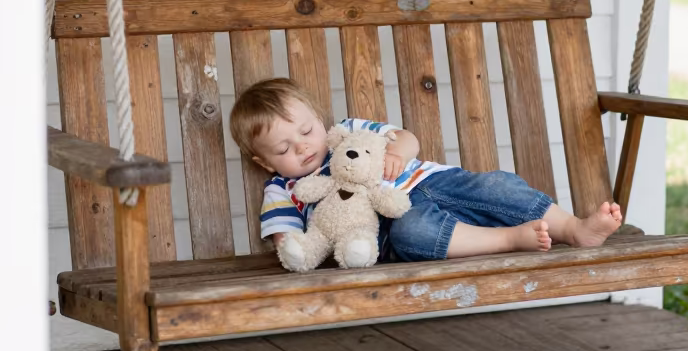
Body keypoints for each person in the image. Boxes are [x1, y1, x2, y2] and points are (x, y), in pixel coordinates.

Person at [229, 77, 622, 265]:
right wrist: (293, 249)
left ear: (320, 119)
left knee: (497, 185)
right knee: (414, 233)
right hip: (391, 228)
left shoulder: (348, 131)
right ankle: (509, 239)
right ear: (265, 162)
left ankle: (574, 229)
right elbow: (285, 237)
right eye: (283, 148)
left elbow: (407, 138)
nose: (303, 146)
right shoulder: (284, 188)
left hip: (434, 182)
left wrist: (398, 150)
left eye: (307, 130)